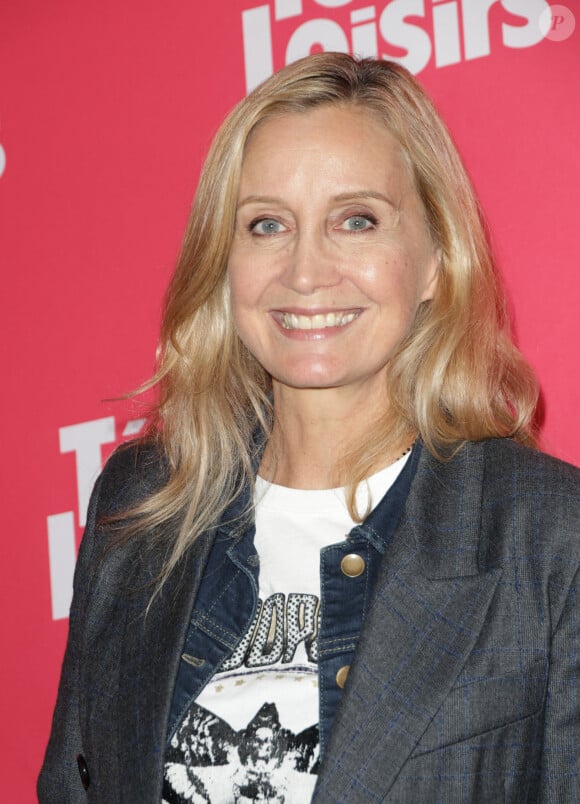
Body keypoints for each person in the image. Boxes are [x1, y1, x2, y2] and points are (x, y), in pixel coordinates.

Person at [38, 52, 580, 803]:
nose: (304, 271)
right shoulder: (142, 502)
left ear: (434, 260)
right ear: (223, 261)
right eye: (266, 225)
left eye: (356, 221)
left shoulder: (549, 536)